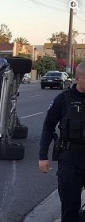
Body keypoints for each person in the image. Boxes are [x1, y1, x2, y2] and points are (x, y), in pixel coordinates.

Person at [39, 61, 85, 222]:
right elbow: (48, 127)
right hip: (70, 159)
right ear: (77, 79)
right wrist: (43, 156)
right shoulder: (63, 100)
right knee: (70, 208)